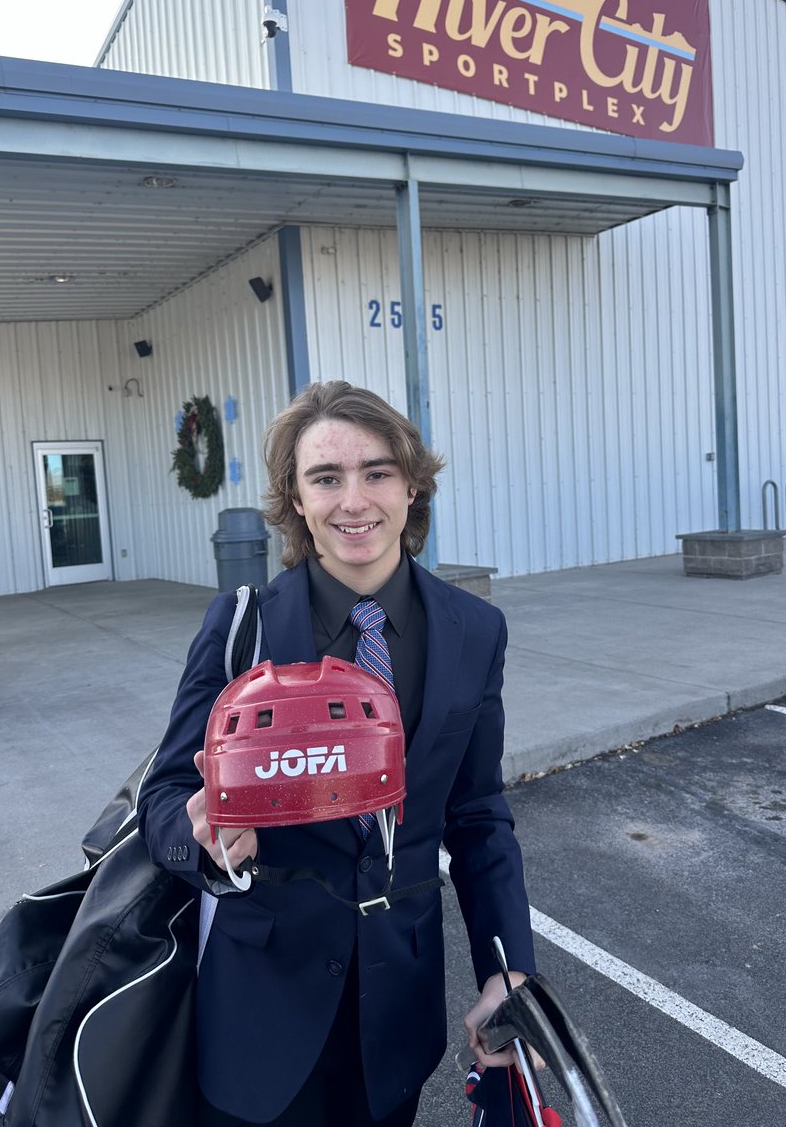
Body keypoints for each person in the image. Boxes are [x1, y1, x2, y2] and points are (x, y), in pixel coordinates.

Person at [138, 380, 536, 1126]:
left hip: (396, 1012)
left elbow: (478, 814)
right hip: (259, 1014)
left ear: (413, 485)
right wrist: (196, 834)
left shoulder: (475, 631)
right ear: (295, 498)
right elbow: (160, 798)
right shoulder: (240, 628)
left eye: (377, 472)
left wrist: (507, 969)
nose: (354, 501)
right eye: (326, 477)